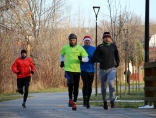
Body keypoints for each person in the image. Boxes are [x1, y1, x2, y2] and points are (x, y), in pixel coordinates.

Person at [60, 33, 89, 111]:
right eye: (71, 40)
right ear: (69, 40)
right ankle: (70, 99)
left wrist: (81, 59)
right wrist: (62, 61)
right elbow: (61, 54)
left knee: (76, 86)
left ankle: (74, 102)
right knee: (71, 82)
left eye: (74, 40)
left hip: (77, 70)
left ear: (76, 40)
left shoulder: (80, 48)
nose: (72, 41)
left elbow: (87, 59)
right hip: (68, 69)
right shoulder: (66, 47)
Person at [92, 32, 120, 110]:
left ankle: (112, 101)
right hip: (102, 70)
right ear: (103, 38)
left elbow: (116, 54)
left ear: (110, 38)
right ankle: (104, 102)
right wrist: (100, 60)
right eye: (105, 37)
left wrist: (117, 61)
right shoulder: (100, 47)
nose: (107, 39)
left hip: (112, 68)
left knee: (111, 83)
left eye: (108, 37)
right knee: (103, 87)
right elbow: (94, 57)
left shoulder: (113, 46)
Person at [80, 36, 96, 109]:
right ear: (84, 41)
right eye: (86, 40)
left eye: (88, 40)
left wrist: (95, 59)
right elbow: (77, 57)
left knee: (89, 85)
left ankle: (88, 100)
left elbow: (96, 57)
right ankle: (84, 100)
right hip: (83, 69)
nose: (87, 42)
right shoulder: (81, 48)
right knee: (85, 83)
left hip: (91, 69)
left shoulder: (93, 49)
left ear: (90, 41)